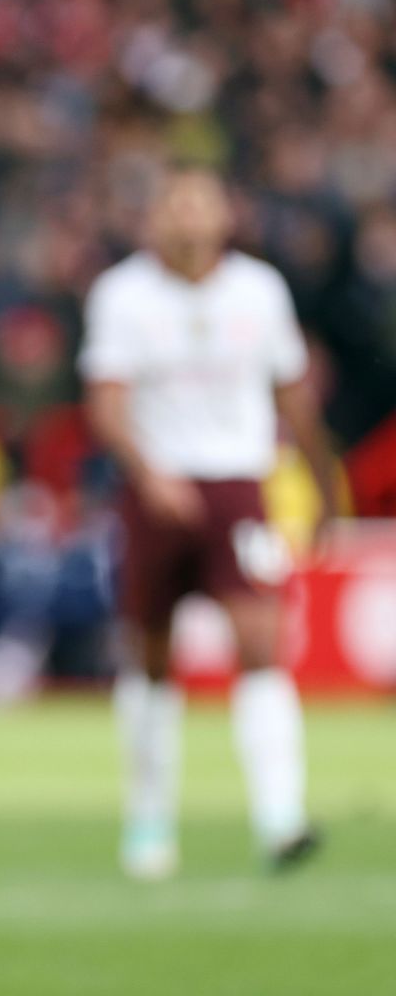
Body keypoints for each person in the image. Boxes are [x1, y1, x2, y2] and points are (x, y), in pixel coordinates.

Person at [81, 166, 337, 879]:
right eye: (175, 204)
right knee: (152, 657)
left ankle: (281, 818)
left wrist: (323, 478)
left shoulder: (259, 290)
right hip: (154, 490)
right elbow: (106, 401)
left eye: (201, 204)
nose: (189, 219)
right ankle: (149, 822)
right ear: (153, 217)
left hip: (237, 489)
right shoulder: (123, 294)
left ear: (226, 216)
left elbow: (292, 393)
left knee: (260, 640)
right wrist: (148, 471)